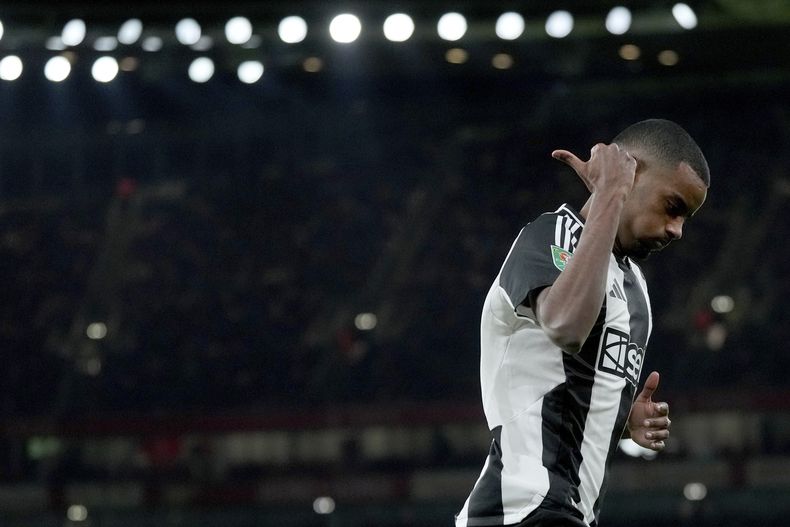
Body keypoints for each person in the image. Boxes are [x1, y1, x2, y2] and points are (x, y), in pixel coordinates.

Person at [455, 119, 710, 527]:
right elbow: (565, 327)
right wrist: (610, 192)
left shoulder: (636, 289)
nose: (678, 230)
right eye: (673, 207)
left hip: (569, 514)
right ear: (630, 171)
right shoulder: (554, 235)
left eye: (686, 218)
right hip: (523, 506)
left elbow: (565, 387)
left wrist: (622, 421)